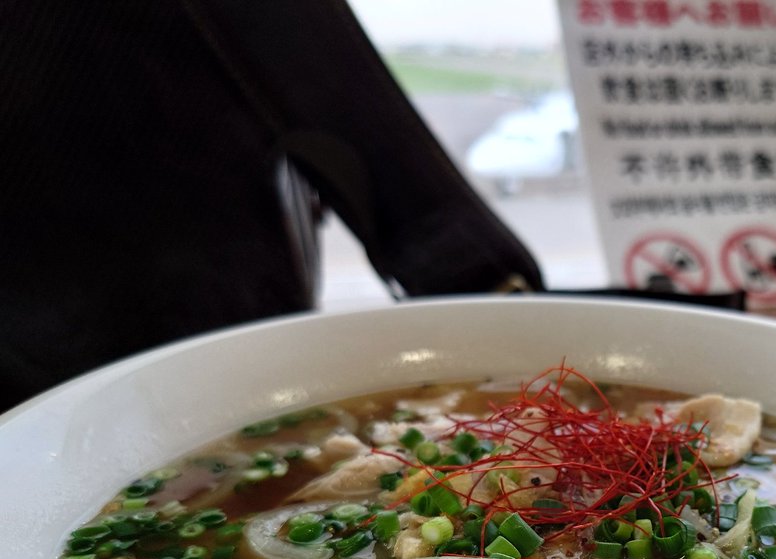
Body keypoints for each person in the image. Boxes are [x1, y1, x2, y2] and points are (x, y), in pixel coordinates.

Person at [0, 0, 544, 412]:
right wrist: (485, 279)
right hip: (223, 324)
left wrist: (480, 277)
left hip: (225, 324)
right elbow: (319, 74)